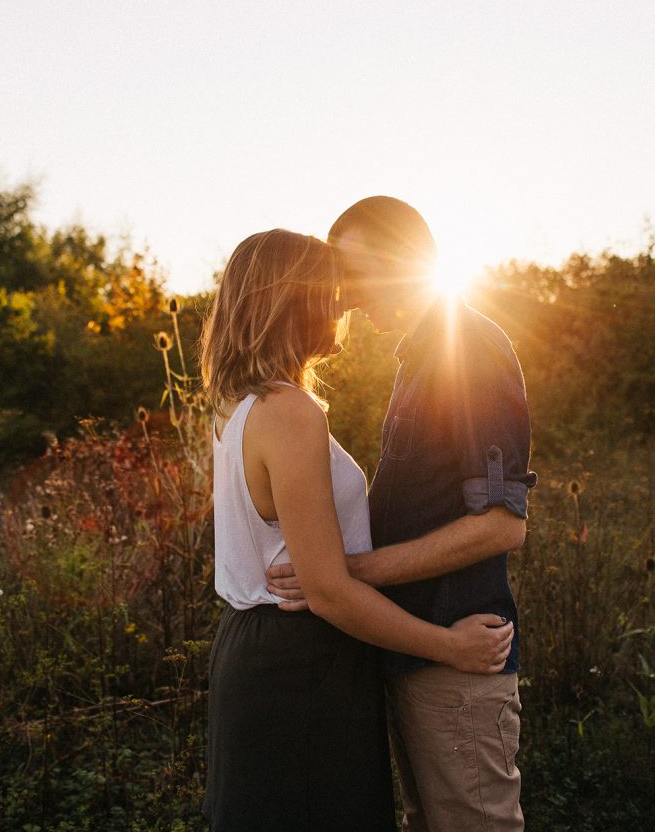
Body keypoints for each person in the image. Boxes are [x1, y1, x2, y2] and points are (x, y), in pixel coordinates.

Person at [200, 228, 515, 832]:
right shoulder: (289, 412)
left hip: (257, 648)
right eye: (332, 289)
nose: (344, 302)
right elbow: (327, 591)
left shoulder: (237, 407)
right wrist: (449, 645)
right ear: (296, 299)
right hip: (302, 658)